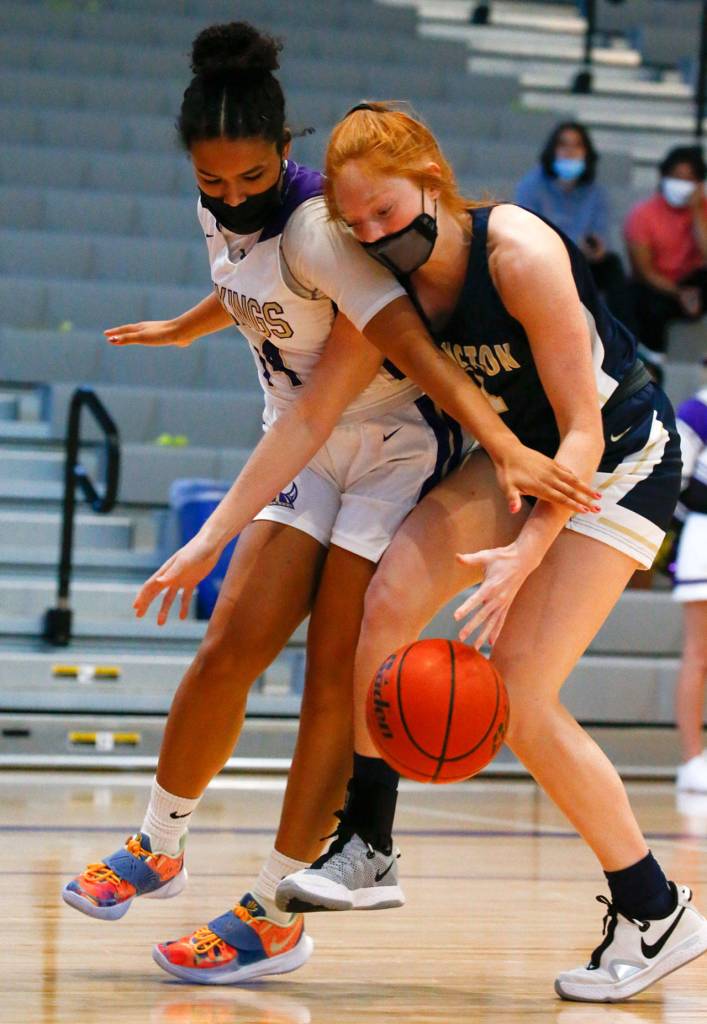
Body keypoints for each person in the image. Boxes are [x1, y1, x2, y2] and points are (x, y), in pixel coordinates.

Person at [61, 25, 594, 987]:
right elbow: (245, 283)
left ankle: (276, 908)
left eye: (249, 178)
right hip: (304, 434)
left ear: (284, 152)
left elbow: (418, 350)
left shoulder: (317, 227)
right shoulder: (222, 206)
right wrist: (187, 328)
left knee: (334, 681)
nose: (232, 196)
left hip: (392, 445)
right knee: (231, 637)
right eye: (213, 184)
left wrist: (506, 444)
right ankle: (159, 842)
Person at [259, 102, 707, 1003]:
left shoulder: (520, 254)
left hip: (616, 460)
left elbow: (581, 431)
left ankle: (655, 912)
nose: (375, 236)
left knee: (518, 694)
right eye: (357, 224)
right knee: (385, 604)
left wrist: (531, 548)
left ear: (432, 179)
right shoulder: (382, 280)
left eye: (387, 213)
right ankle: (369, 844)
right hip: (508, 461)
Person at [515, 121, 634, 329]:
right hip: (543, 262)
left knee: (612, 265)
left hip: (582, 262)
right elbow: (525, 233)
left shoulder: (596, 193)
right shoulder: (531, 187)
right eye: (563, 145)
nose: (570, 151)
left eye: (577, 145)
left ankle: (623, 340)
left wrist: (596, 246)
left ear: (587, 153)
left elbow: (601, 236)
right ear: (553, 150)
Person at [624, 145, 707, 380]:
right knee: (645, 301)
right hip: (657, 287)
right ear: (663, 177)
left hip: (695, 284)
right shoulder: (643, 215)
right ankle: (652, 364)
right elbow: (644, 272)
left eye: (690, 179)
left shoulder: (703, 211)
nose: (682, 184)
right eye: (677, 177)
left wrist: (697, 213)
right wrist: (680, 293)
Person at [673, 380, 707, 792]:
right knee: (698, 654)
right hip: (704, 533)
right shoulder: (699, 410)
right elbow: (673, 476)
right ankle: (691, 760)